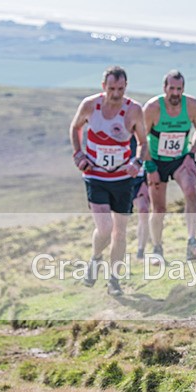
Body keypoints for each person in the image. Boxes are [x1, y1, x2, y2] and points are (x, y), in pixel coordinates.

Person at [70, 65, 149, 296]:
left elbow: (143, 142)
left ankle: (114, 280)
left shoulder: (133, 110)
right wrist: (78, 154)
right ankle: (95, 258)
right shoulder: (90, 105)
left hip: (122, 178)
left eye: (120, 89)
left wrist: (137, 162)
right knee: (105, 228)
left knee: (120, 232)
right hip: (95, 175)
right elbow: (75, 128)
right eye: (112, 88)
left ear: (126, 87)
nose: (116, 94)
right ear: (103, 86)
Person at [143, 70, 196, 262]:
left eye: (179, 89)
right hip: (156, 160)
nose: (175, 93)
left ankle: (192, 243)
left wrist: (190, 154)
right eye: (172, 88)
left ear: (183, 89)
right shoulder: (152, 108)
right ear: (164, 88)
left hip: (180, 159)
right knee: (159, 208)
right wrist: (150, 167)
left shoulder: (192, 105)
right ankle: (157, 249)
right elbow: (141, 140)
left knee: (191, 192)